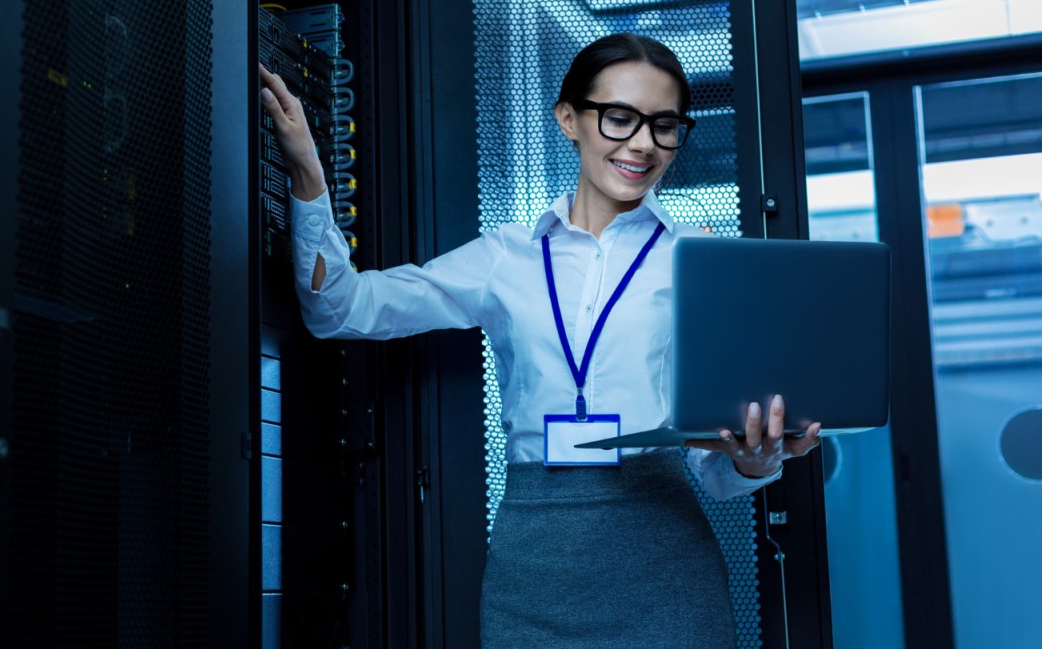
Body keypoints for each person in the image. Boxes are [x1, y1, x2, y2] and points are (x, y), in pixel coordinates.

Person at [259, 33, 822, 647]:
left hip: (666, 563)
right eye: (619, 118)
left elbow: (712, 473)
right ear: (568, 119)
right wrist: (309, 175)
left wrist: (753, 460)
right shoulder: (506, 255)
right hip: (532, 562)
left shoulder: (701, 255)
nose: (643, 144)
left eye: (664, 126)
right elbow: (337, 308)